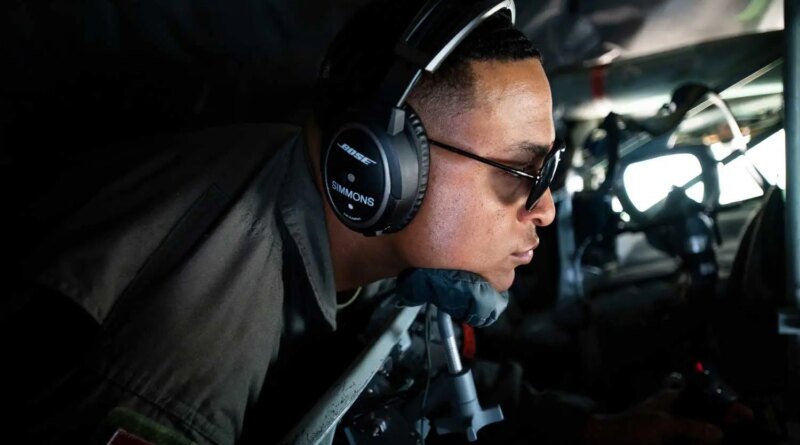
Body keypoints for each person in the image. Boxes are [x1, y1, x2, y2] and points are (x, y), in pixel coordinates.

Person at [1, 0, 746, 444]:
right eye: (523, 173)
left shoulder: (368, 237)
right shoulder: (187, 368)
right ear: (383, 163)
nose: (546, 206)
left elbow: (410, 369)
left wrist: (592, 432)